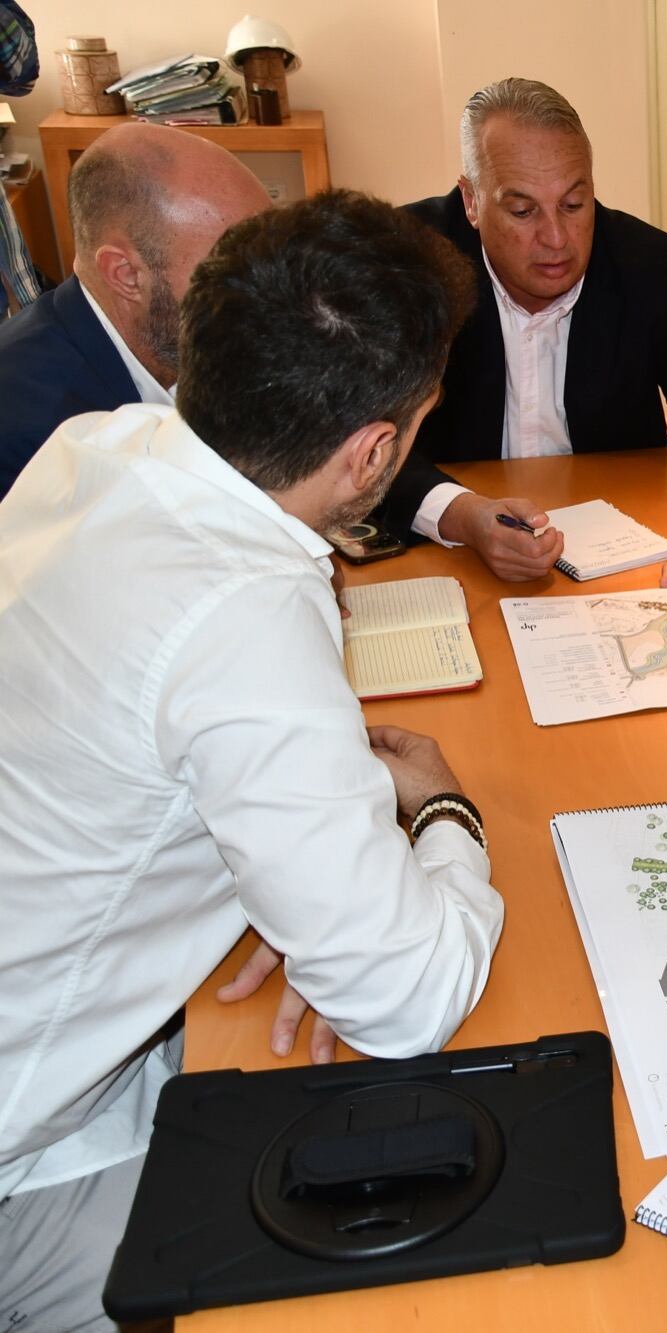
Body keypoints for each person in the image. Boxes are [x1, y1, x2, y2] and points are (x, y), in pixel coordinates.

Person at [0, 191, 503, 1330]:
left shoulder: (101, 444)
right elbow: (406, 998)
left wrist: (281, 874)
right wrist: (443, 820)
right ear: (374, 448)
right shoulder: (245, 616)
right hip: (26, 1144)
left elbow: (142, 735)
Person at [384, 77, 667, 610]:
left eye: (575, 204)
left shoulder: (651, 267)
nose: (556, 238)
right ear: (471, 201)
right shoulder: (405, 263)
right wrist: (461, 514)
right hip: (451, 562)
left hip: (621, 566)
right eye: (524, 211)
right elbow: (359, 444)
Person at [0, 121, 270, 494]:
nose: (264, 293)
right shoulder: (35, 443)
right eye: (228, 269)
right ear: (125, 274)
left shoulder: (168, 339)